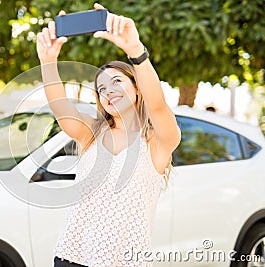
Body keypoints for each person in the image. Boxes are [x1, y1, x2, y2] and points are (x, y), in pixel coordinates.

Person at [36, 3, 181, 267]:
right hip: (71, 257)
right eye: (101, 88)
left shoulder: (156, 144)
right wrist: (48, 61)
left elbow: (158, 106)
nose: (109, 91)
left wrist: (135, 51)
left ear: (137, 90)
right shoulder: (91, 133)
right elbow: (60, 106)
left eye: (117, 82)